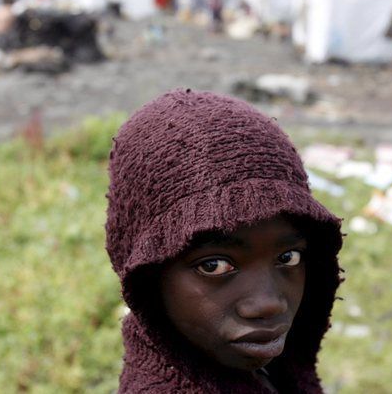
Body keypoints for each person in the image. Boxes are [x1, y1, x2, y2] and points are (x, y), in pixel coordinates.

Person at [105, 89, 343, 393]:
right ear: (148, 274)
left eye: (288, 258)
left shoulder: (273, 376)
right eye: (214, 265)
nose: (268, 303)